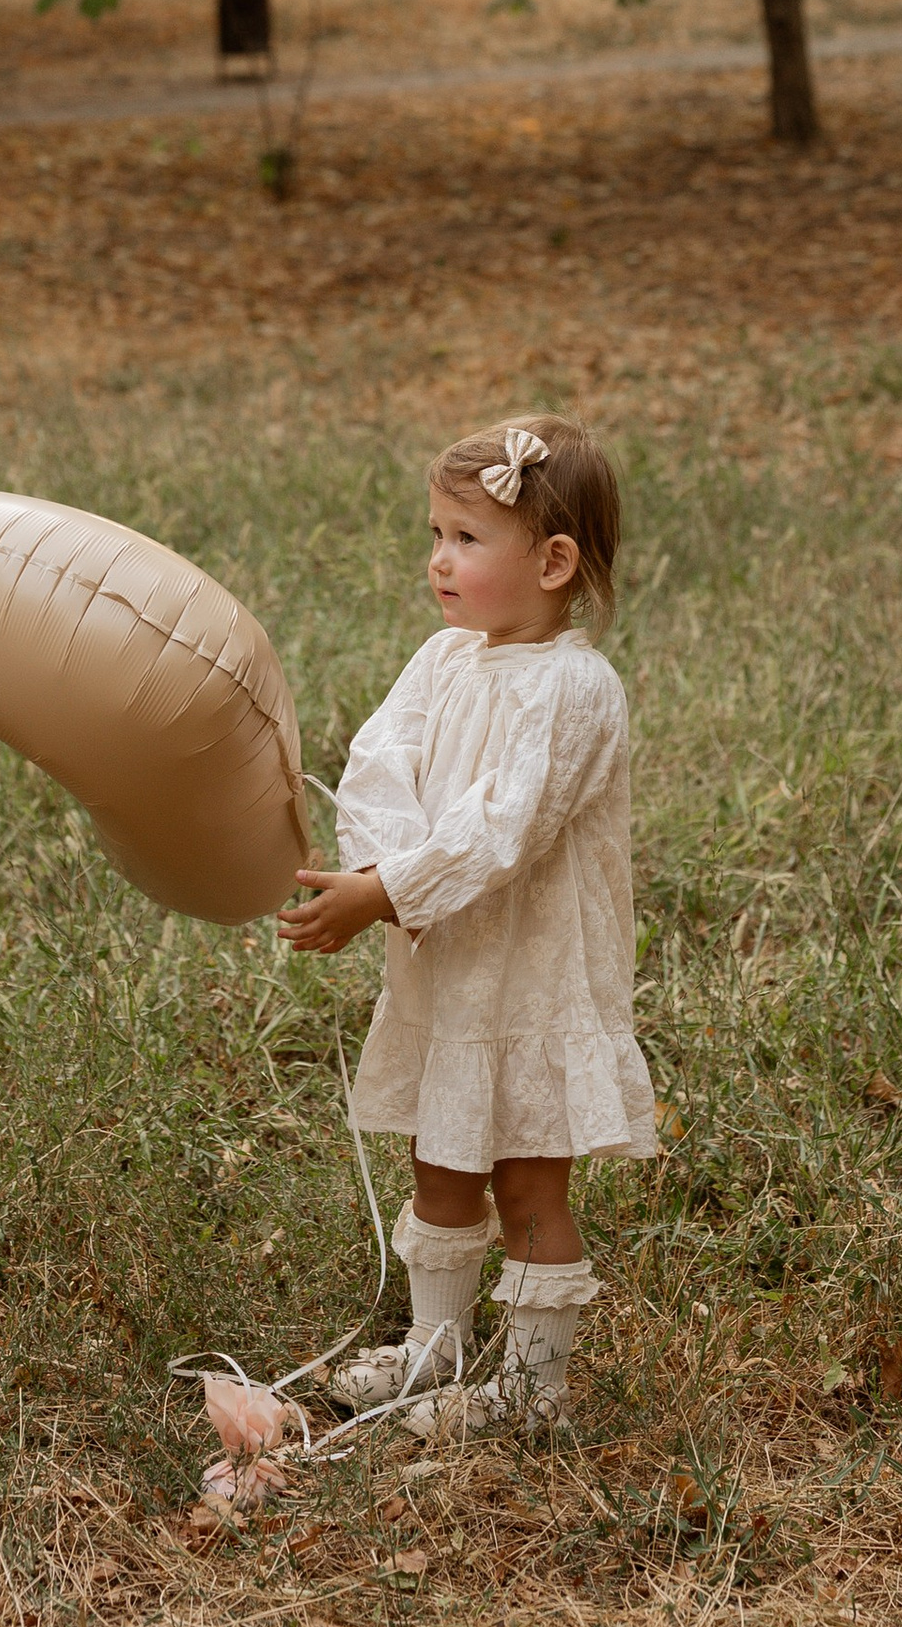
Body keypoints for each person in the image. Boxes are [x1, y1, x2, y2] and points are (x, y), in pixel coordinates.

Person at [277, 415, 651, 1434]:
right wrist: (372, 864)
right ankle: (434, 1343)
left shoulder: (576, 688)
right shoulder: (444, 659)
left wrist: (392, 888)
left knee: (526, 1170)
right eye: (434, 533)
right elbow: (378, 758)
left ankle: (534, 1388)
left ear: (553, 560)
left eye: (467, 538)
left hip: (532, 973)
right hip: (450, 962)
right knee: (441, 1156)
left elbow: (505, 828)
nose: (439, 559)